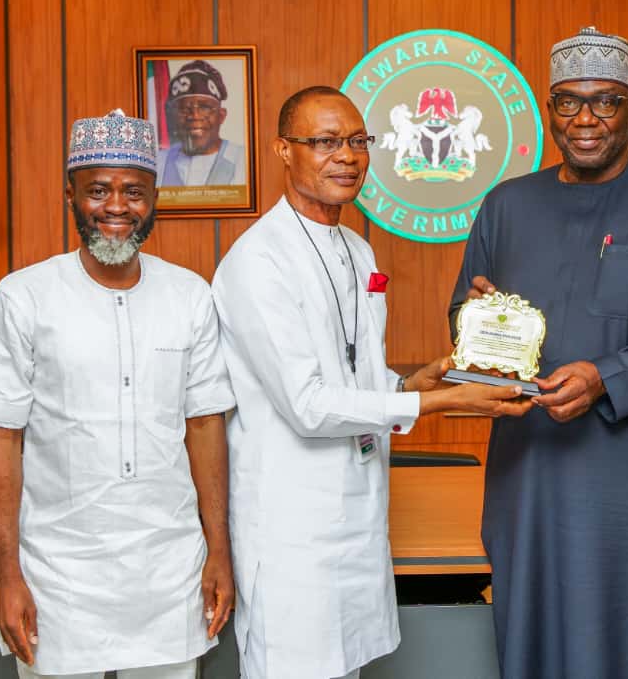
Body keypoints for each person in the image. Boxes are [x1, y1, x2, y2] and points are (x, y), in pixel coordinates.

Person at [212, 85, 532, 679]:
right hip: (293, 533)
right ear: (284, 151)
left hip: (356, 521)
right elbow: (308, 405)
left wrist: (421, 376)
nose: (348, 156)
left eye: (358, 141)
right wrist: (443, 400)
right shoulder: (258, 262)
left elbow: (355, 374)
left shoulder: (358, 250)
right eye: (326, 142)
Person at [449, 26, 628, 679]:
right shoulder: (505, 205)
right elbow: (463, 313)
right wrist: (478, 323)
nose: (585, 119)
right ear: (548, 110)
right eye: (568, 102)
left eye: (605, 102)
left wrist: (607, 376)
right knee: (536, 634)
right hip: (534, 478)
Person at [0, 109, 236, 678]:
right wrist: (7, 576)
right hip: (58, 575)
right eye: (98, 191)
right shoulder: (22, 298)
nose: (116, 207)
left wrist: (219, 552)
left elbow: (205, 427)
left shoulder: (190, 297)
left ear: (154, 197)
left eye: (133, 191)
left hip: (169, 571)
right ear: (71, 196)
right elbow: (2, 439)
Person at [157, 59, 246, 186]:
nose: (195, 115)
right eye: (184, 109)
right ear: (172, 117)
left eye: (205, 107)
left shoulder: (244, 159)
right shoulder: (158, 162)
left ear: (221, 116)